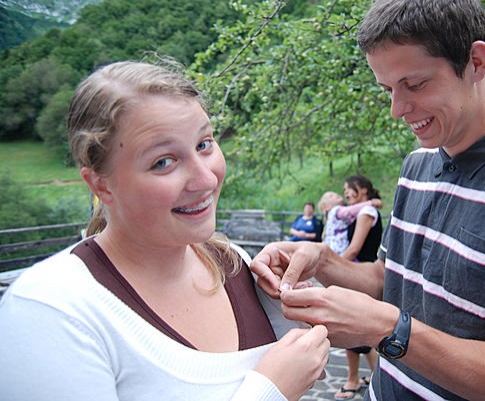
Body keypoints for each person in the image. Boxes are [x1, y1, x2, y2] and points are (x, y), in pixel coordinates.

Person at [251, 1, 485, 400]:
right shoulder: (416, 165)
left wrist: (388, 329)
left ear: (476, 62)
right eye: (388, 89)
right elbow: (389, 281)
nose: (397, 110)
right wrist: (322, 260)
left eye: (414, 84)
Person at [0, 60, 330, 401]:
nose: (206, 179)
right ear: (101, 185)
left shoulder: (232, 263)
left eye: (204, 144)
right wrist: (272, 391)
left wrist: (294, 317)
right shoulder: (49, 311)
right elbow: (274, 382)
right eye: (163, 162)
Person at [333, 176, 383, 400]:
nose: (345, 193)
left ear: (362, 189)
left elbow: (354, 249)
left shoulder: (366, 213)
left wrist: (332, 266)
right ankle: (376, 376)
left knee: (350, 330)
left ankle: (352, 380)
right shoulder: (362, 211)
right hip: (359, 274)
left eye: (348, 188)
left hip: (360, 275)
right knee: (363, 332)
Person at [317, 191, 382, 255]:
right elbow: (351, 211)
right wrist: (370, 203)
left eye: (335, 193)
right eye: (331, 196)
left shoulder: (334, 216)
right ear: (326, 207)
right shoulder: (335, 211)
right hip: (338, 246)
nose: (336, 194)